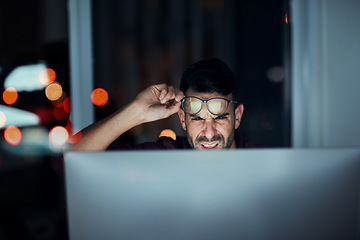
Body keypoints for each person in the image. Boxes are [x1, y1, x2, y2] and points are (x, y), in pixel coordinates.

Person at [66, 58, 260, 152]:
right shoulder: (165, 156)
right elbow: (68, 161)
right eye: (197, 118)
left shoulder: (263, 162)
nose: (209, 133)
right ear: (183, 119)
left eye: (219, 117)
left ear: (238, 116)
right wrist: (137, 111)